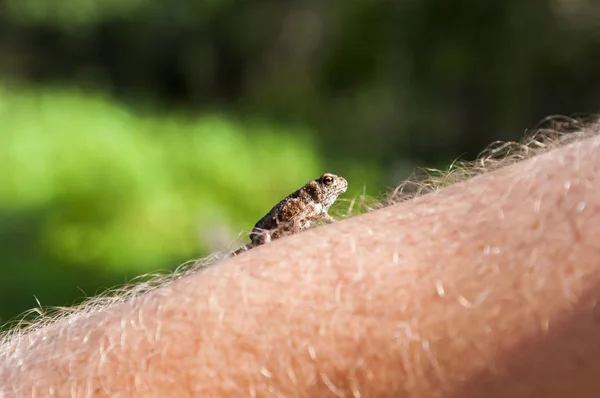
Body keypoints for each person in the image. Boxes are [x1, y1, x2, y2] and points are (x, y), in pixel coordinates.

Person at [1, 119, 599, 397]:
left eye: (333, 187)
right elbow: (281, 226)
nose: (333, 191)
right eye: (330, 185)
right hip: (263, 241)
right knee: (256, 247)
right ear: (319, 187)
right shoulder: (303, 203)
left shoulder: (316, 204)